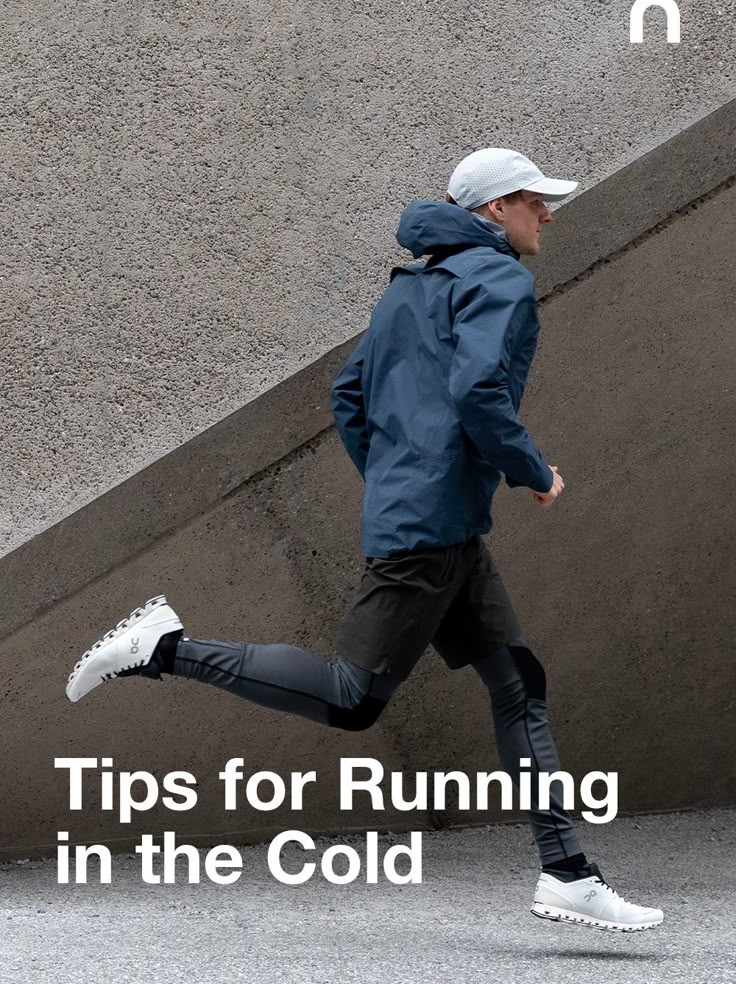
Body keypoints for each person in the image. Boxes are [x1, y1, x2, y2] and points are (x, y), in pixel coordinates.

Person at [66, 147, 663, 932]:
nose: (546, 212)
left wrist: (400, 477)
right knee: (353, 698)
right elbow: (480, 390)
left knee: (518, 682)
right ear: (493, 211)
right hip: (432, 527)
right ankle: (163, 647)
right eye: (532, 200)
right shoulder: (500, 281)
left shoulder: (410, 290)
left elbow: (348, 395)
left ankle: (567, 872)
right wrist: (531, 472)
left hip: (433, 518)